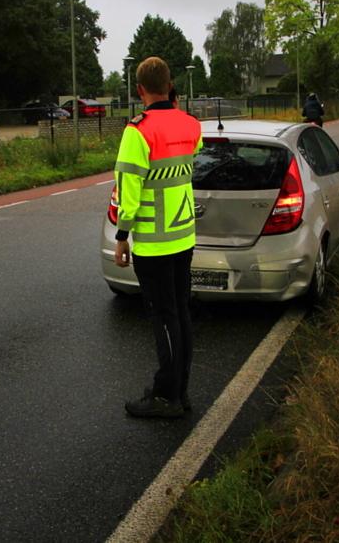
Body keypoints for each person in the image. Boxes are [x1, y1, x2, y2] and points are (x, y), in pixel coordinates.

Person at [114, 57, 203, 419]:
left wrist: (122, 236)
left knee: (163, 318)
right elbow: (188, 157)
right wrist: (177, 111)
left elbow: (129, 191)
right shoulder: (191, 125)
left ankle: (166, 397)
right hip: (183, 237)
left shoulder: (137, 131)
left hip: (153, 242)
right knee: (179, 313)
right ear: (170, 87)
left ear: (139, 90)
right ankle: (178, 390)